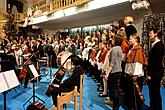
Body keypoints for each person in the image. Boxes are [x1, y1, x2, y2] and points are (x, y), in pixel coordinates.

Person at [124, 33, 147, 110]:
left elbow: (138, 63)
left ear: (136, 39)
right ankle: (132, 107)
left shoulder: (138, 49)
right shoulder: (132, 49)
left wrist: (136, 75)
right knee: (131, 94)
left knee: (137, 95)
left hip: (135, 76)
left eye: (131, 38)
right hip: (130, 74)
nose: (129, 40)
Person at [147, 28, 165, 110]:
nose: (149, 35)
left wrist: (150, 74)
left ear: (155, 34)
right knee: (153, 93)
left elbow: (156, 63)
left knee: (155, 93)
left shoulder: (159, 46)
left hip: (155, 73)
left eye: (150, 33)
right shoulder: (156, 45)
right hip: (154, 73)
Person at [104, 34, 123, 110]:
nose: (112, 40)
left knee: (113, 89)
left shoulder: (115, 49)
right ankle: (116, 104)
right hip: (117, 71)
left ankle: (116, 106)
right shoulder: (119, 48)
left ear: (116, 40)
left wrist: (107, 73)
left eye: (113, 39)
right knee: (114, 89)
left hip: (114, 71)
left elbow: (113, 62)